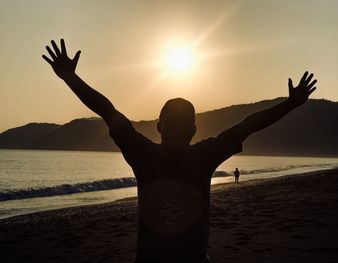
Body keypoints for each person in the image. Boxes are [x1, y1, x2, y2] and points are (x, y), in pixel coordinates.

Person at [42, 39, 317, 263]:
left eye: (181, 121)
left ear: (165, 128)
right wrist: (70, 78)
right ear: (163, 126)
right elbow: (106, 110)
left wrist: (70, 78)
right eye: (174, 121)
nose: (176, 126)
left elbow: (107, 110)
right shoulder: (194, 155)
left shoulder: (152, 154)